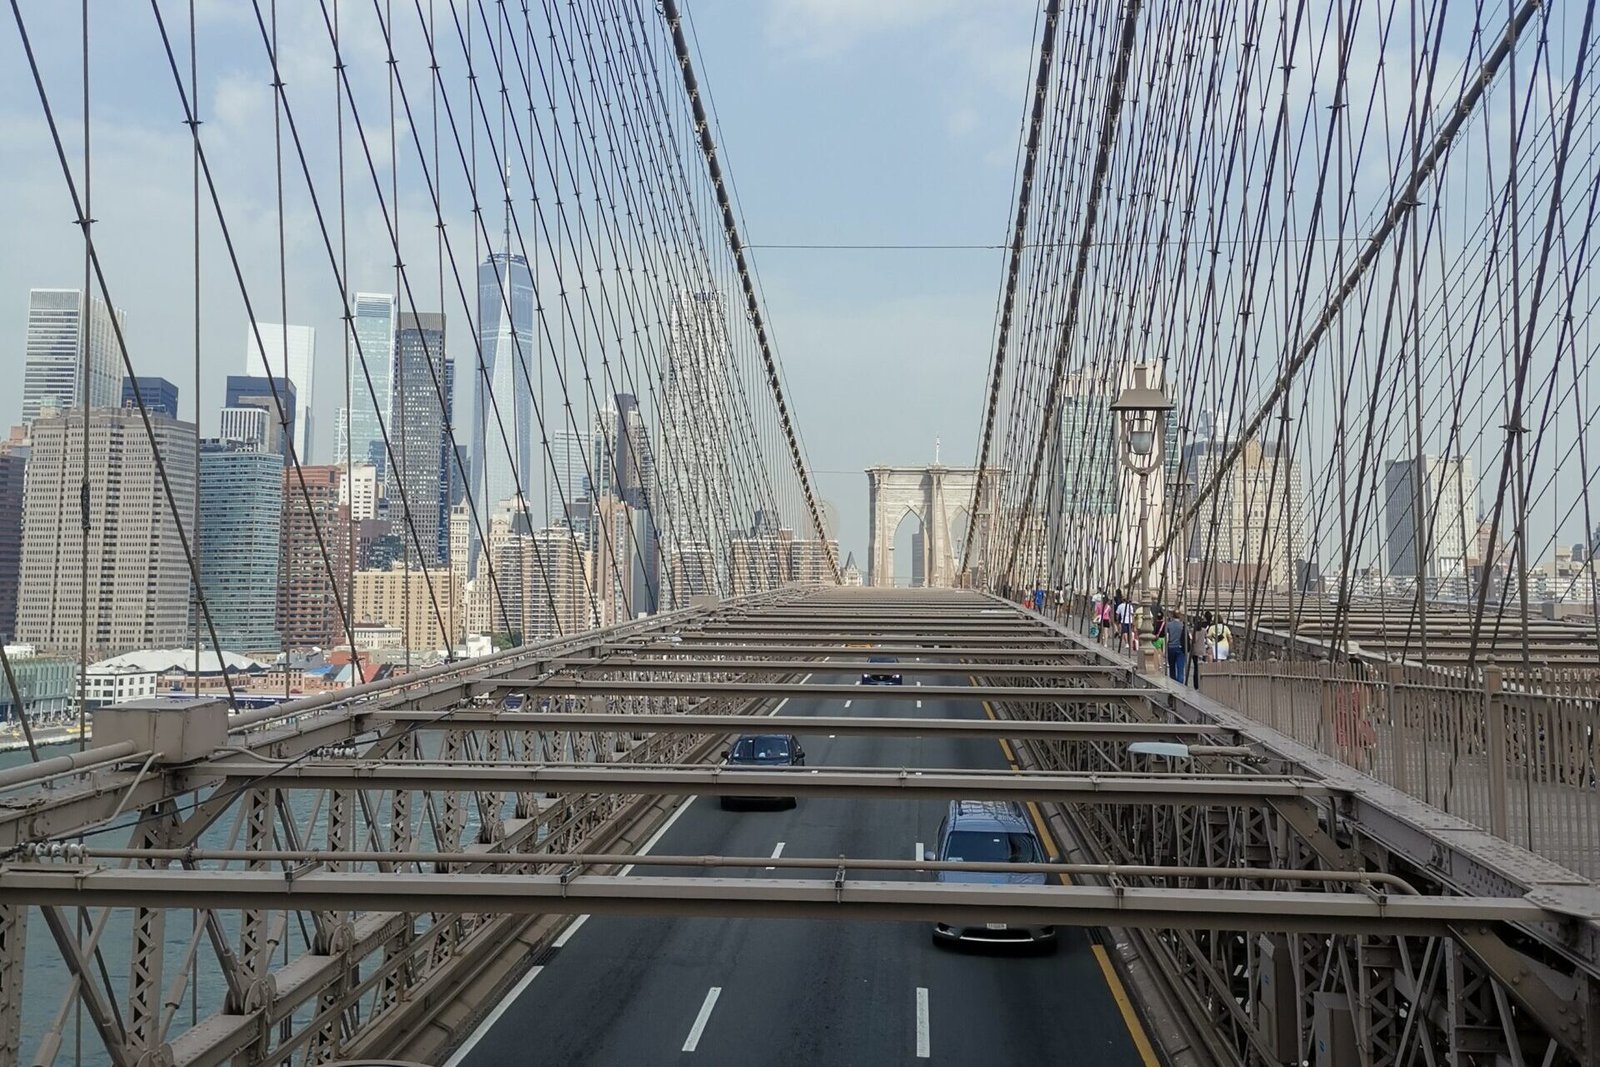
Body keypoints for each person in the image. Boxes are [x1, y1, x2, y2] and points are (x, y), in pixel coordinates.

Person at [1164, 608, 1188, 682]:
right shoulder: (1183, 625)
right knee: (1180, 668)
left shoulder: (1169, 625)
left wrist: (1165, 650)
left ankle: (1173, 683)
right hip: (1180, 648)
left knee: (1172, 668)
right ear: (1180, 616)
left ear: (1172, 615)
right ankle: (1180, 684)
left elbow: (1167, 638)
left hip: (1171, 647)